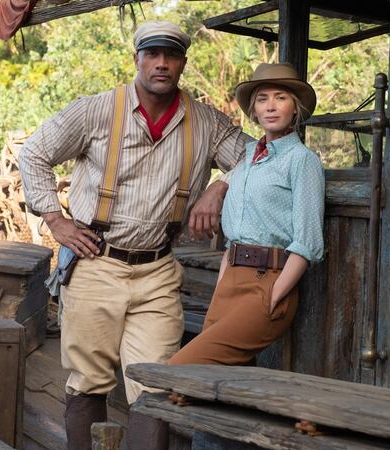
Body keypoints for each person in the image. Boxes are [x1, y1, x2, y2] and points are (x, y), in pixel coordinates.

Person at [19, 21, 252, 450]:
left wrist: (219, 186)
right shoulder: (96, 110)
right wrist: (56, 220)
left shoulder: (206, 122)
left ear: (182, 63)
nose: (162, 64)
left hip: (158, 271)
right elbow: (34, 153)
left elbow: (259, 157)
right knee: (88, 381)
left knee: (156, 384)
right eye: (153, 54)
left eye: (171, 56)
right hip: (95, 263)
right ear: (137, 59)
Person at [168, 62, 325, 372]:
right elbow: (231, 206)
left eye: (281, 97)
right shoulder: (248, 159)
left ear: (296, 107)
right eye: (263, 98)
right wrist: (216, 187)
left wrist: (275, 294)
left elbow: (307, 242)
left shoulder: (302, 161)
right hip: (229, 281)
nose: (271, 106)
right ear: (254, 109)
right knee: (225, 382)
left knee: (182, 369)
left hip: (268, 283)